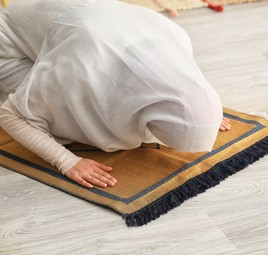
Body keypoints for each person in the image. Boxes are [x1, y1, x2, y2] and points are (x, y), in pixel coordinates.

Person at [0, 0, 231, 189]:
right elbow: (9, 116)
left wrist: (203, 107)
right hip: (10, 47)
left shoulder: (177, 38)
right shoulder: (83, 68)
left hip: (68, 25)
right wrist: (67, 161)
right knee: (68, 113)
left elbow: (184, 80)